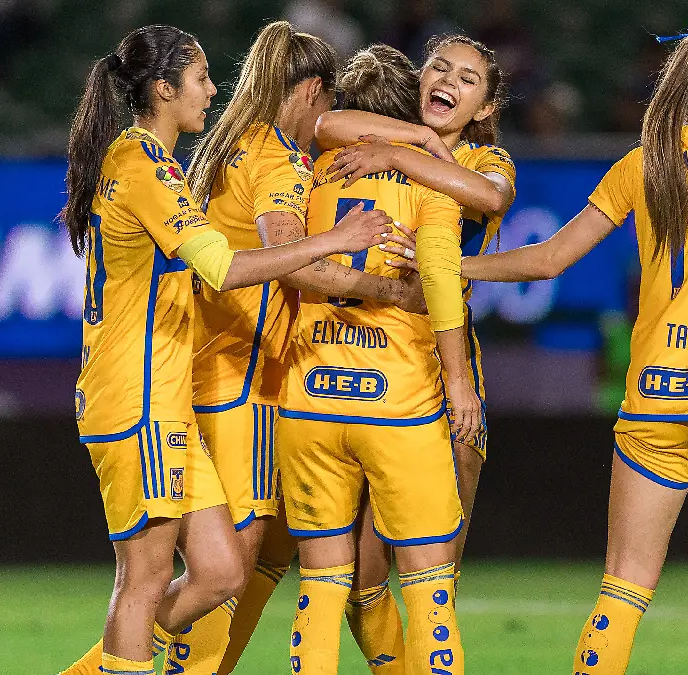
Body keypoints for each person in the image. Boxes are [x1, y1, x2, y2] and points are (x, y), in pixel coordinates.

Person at [459, 22, 688, 674]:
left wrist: (456, 270)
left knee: (624, 583)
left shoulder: (646, 159)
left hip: (656, 394)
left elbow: (548, 259)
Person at [56, 25, 392, 675]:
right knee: (145, 578)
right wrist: (333, 240)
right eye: (201, 77)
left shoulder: (159, 164)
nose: (213, 90)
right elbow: (222, 266)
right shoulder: (140, 164)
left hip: (169, 402)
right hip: (134, 398)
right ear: (162, 88)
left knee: (220, 571)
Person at [161, 21, 425, 674]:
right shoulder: (277, 160)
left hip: (231, 373)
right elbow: (292, 260)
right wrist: (382, 288)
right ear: (312, 92)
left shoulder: (238, 142)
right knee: (233, 561)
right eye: (329, 103)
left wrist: (411, 140)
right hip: (241, 381)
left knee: (283, 550)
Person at [276, 44, 482, 675]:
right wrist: (459, 380)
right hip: (399, 401)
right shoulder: (430, 178)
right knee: (428, 584)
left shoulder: (308, 171)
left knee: (320, 585)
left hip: (311, 397)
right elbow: (442, 281)